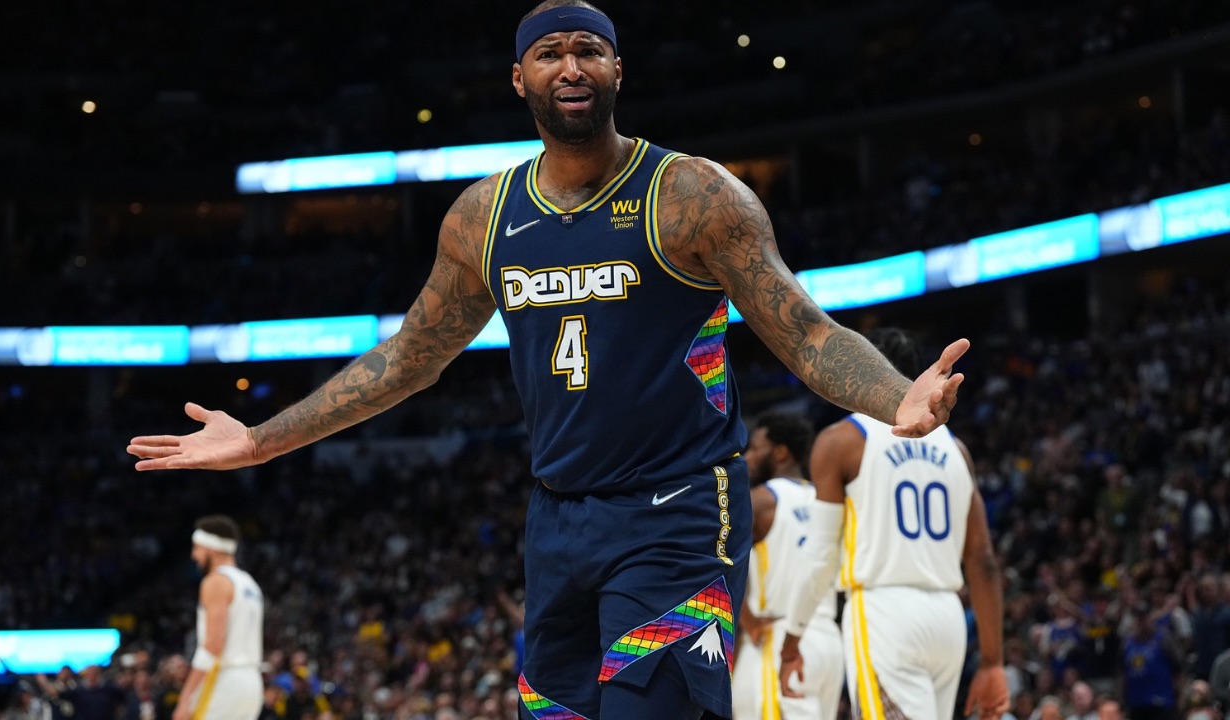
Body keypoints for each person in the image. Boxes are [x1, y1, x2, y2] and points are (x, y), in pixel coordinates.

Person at [126, 3, 969, 716]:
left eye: (589, 51)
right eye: (551, 53)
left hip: (677, 513)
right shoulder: (484, 217)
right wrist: (263, 439)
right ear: (520, 78)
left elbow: (807, 331)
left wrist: (895, 395)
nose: (571, 66)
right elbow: (410, 358)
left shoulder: (693, 195)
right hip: (558, 521)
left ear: (616, 71)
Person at [778, 328, 1006, 720]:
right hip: (947, 619)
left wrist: (792, 639)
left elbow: (819, 556)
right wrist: (992, 661)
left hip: (883, 613)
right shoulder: (957, 449)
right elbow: (982, 559)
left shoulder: (841, 440)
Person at [731, 412, 843, 720]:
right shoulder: (829, 499)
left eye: (755, 448)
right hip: (829, 641)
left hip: (778, 635)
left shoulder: (761, 500)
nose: (748, 457)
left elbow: (716, 560)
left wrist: (748, 621)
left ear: (780, 452)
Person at [174, 515, 265, 720]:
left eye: (197, 548)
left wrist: (185, 698)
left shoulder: (216, 581)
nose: (193, 555)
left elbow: (213, 645)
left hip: (225, 680)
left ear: (212, 548)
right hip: (252, 681)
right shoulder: (249, 583)